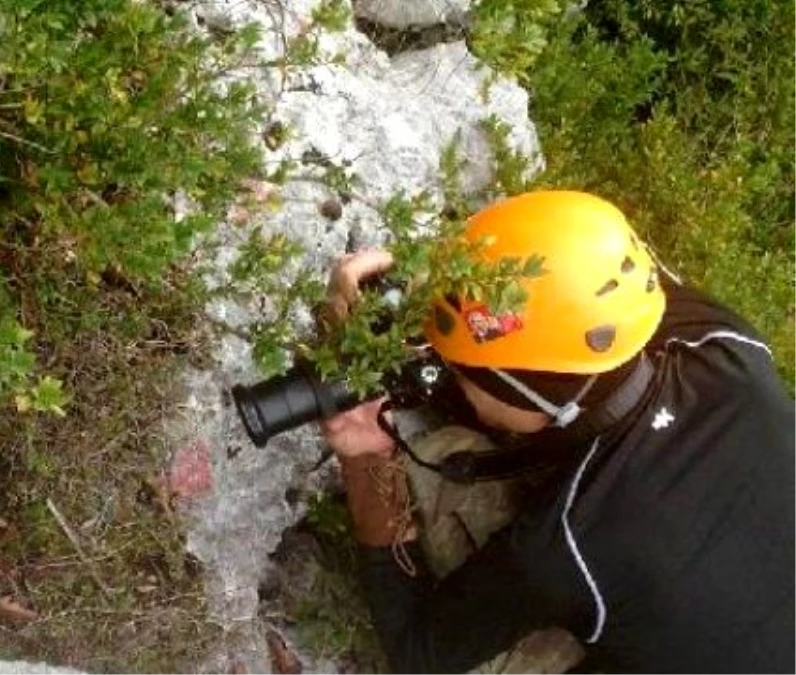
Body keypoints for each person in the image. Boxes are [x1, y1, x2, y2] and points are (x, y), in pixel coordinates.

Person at [318, 190, 796, 674]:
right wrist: (438, 283)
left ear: (541, 403)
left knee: (443, 462)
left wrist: (367, 452)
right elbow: (572, 283)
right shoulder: (720, 342)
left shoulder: (566, 545)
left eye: (459, 371)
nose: (444, 370)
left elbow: (417, 651)